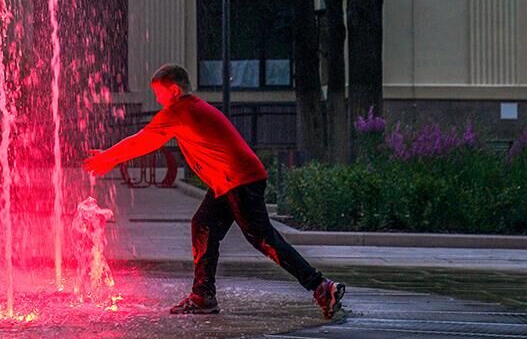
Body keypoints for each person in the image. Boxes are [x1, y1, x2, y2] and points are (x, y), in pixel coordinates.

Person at [83, 64, 345, 318]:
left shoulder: (180, 110)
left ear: (173, 90)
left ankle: (321, 286)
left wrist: (107, 158)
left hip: (238, 180)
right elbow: (147, 140)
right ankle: (202, 297)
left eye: (159, 92)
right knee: (204, 225)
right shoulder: (192, 108)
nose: (157, 98)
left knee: (263, 239)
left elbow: (143, 140)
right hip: (229, 181)